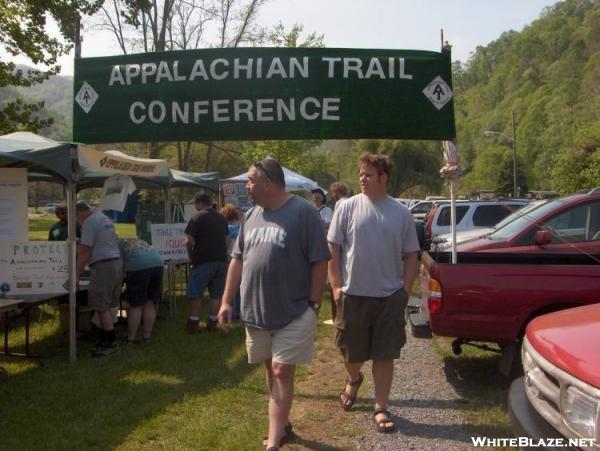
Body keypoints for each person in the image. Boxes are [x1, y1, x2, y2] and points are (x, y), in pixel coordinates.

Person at [218, 158, 330, 451]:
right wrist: (226, 301)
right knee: (270, 368)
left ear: (268, 182)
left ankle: (274, 441)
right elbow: (237, 259)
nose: (247, 186)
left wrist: (314, 305)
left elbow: (320, 261)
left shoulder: (304, 213)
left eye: (251, 181)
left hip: (294, 310)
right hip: (256, 312)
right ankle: (283, 423)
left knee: (281, 370)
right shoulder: (250, 215)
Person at [327, 154, 419, 433]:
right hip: (352, 295)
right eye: (361, 174)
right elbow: (333, 247)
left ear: (383, 178)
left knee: (384, 354)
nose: (362, 179)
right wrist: (335, 286)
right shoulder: (346, 207)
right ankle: (353, 380)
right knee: (350, 354)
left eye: (368, 174)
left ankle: (381, 407)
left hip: (389, 297)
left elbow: (412, 254)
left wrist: (404, 290)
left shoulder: (401, 213)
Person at [75, 202, 123, 357]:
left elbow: (84, 251)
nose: (77, 221)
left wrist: (75, 275)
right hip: (116, 262)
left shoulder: (89, 222)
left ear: (80, 213)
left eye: (76, 217)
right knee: (108, 305)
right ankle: (105, 339)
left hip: (102, 265)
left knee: (101, 306)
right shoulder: (103, 218)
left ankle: (111, 342)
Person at [185, 192, 229, 333]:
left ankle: (193, 322)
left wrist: (191, 255)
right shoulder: (221, 218)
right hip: (221, 261)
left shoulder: (197, 217)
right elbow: (226, 240)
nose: (195, 206)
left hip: (203, 261)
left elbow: (189, 241)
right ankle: (212, 322)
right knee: (216, 295)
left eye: (195, 203)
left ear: (200, 203)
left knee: (196, 293)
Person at [117, 238, 164, 344]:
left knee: (136, 304)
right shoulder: (134, 240)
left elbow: (119, 266)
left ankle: (131, 338)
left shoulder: (115, 246)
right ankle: (147, 336)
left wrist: (120, 281)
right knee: (150, 302)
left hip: (138, 267)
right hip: (158, 263)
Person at [219, 203, 242, 320]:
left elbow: (224, 244)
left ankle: (231, 311)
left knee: (230, 285)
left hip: (229, 257)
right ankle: (239, 312)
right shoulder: (243, 227)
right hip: (242, 258)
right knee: (240, 286)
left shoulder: (225, 229)